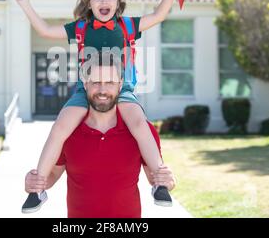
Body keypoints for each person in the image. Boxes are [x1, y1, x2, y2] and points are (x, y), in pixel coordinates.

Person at [14, 0, 176, 212]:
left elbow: (160, 14)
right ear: (88, 2)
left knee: (140, 124)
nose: (104, 2)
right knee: (60, 126)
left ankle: (160, 183)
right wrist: (25, 3)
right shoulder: (81, 28)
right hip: (85, 88)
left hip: (122, 89)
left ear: (119, 2)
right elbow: (46, 30)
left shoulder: (129, 25)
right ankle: (38, 188)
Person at [24, 53, 176, 217]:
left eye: (110, 82)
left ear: (120, 85)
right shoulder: (68, 130)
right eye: (96, 82)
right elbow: (52, 174)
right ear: (85, 84)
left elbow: (155, 179)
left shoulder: (140, 130)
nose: (102, 90)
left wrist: (169, 181)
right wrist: (35, 183)